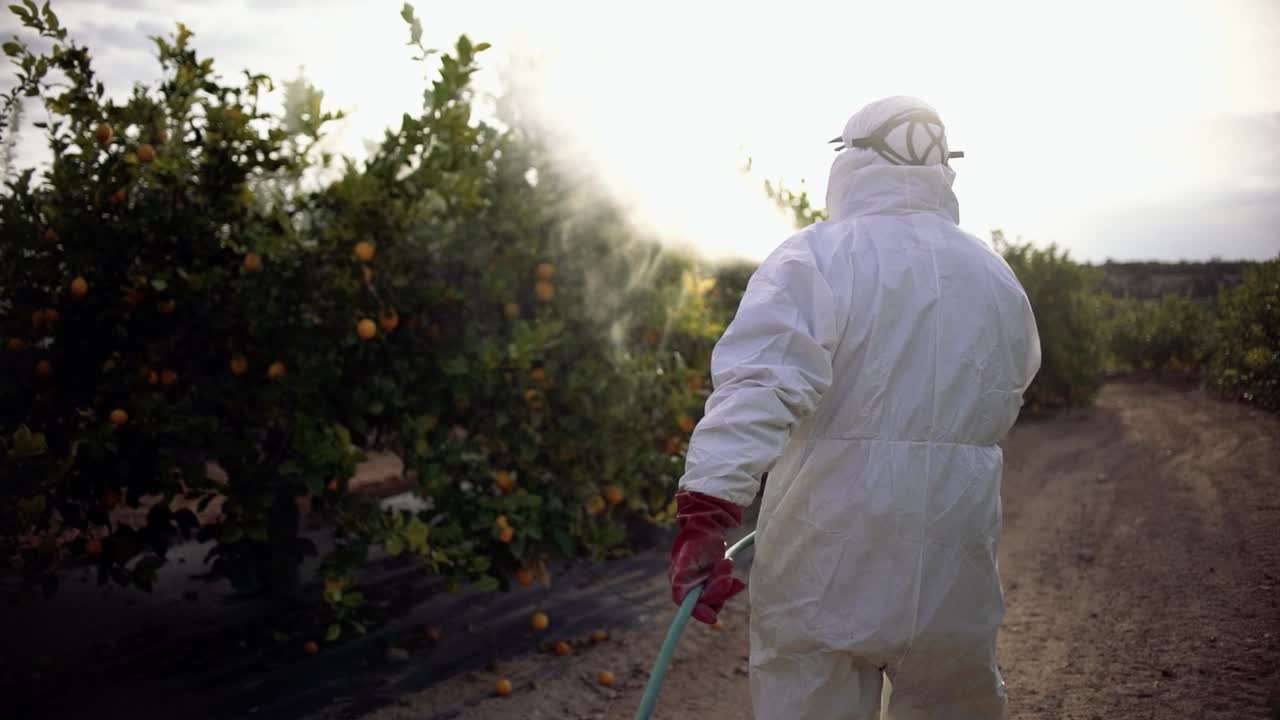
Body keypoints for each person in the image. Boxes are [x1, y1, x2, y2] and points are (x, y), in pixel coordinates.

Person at [667, 95, 1042, 719]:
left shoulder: (815, 257)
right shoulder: (995, 277)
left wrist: (706, 513)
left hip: (826, 558)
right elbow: (1011, 386)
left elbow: (759, 385)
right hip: (952, 558)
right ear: (941, 168)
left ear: (853, 161)